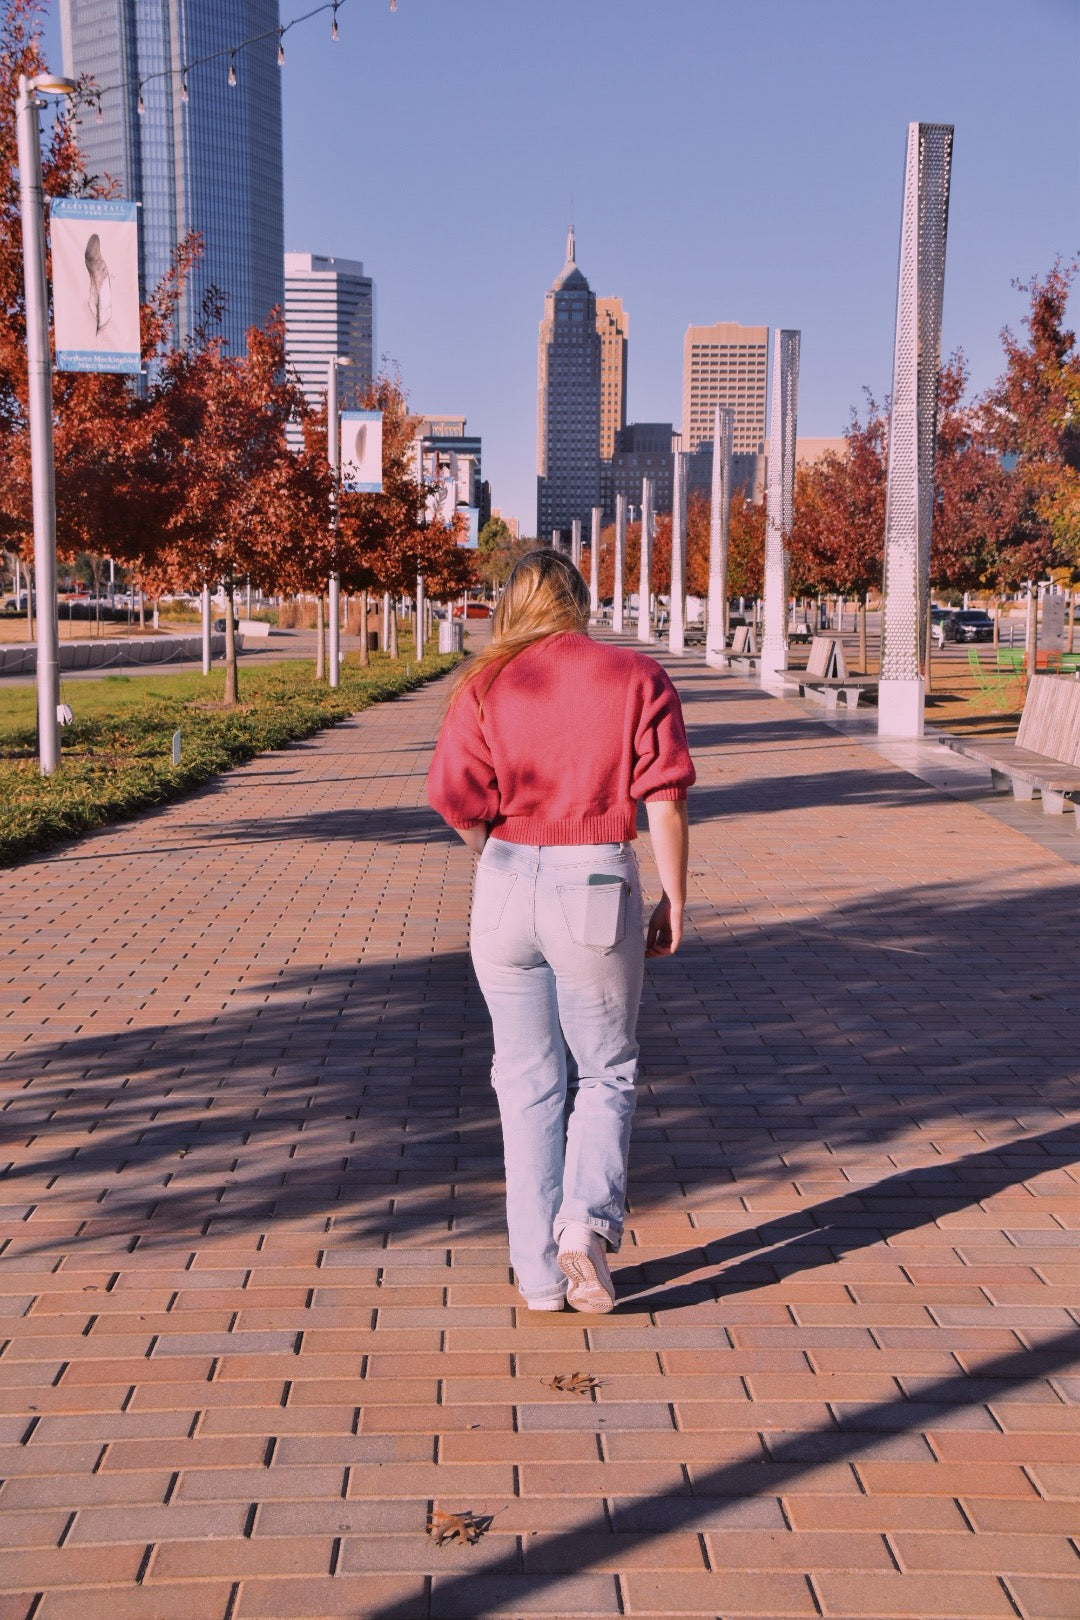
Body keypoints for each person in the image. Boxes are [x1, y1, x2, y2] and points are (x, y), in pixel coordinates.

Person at [427, 549, 695, 1312]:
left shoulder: (483, 683)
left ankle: (539, 1278)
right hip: (596, 880)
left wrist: (506, 860)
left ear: (511, 604)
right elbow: (665, 801)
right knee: (606, 1069)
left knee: (526, 1078)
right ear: (580, 600)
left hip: (506, 876)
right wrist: (675, 899)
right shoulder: (636, 677)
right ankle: (583, 1226)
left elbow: (457, 800)